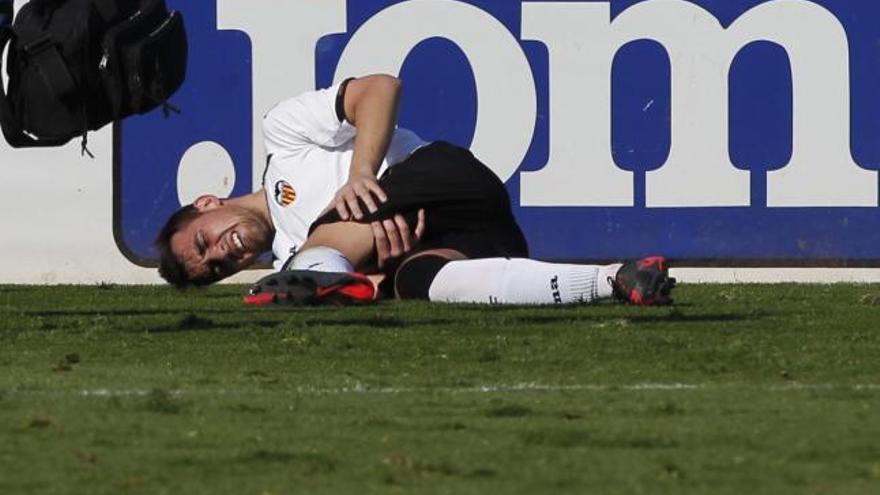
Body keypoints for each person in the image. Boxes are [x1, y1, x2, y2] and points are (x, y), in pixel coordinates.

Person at [156, 74, 675, 305]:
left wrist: (362, 173)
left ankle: (333, 286)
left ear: (207, 203)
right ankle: (617, 281)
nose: (225, 253)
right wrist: (381, 268)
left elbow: (381, 87)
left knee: (318, 248)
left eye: (205, 242)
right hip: (465, 238)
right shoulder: (289, 260)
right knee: (416, 282)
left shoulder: (283, 136)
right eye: (220, 268)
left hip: (443, 177)